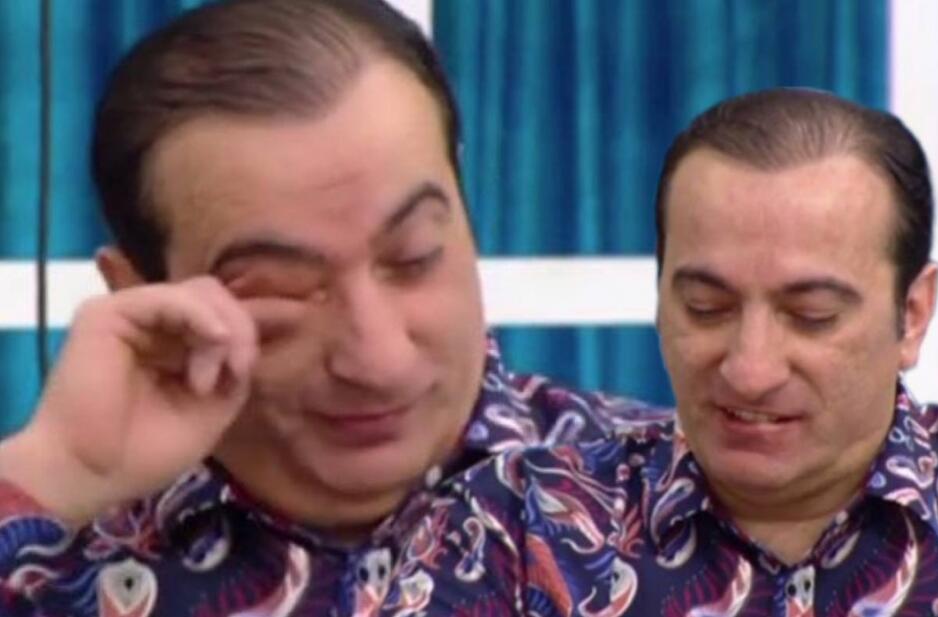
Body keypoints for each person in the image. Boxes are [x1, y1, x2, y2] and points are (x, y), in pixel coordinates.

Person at [0, 1, 668, 615]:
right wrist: (53, 473)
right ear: (139, 293)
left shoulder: (672, 494)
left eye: (413, 256)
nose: (378, 360)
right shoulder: (51, 553)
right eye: (277, 289)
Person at [390, 88, 938, 616]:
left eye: (810, 316)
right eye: (707, 308)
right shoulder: (517, 527)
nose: (750, 370)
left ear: (912, 314)